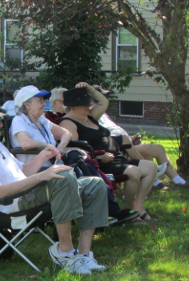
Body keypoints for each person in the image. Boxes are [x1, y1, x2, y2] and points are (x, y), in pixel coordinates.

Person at [0, 99, 109, 275]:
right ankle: (65, 252)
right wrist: (42, 175)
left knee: (94, 184)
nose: (1, 124)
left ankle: (84, 255)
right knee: (61, 177)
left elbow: (23, 171)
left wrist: (42, 156)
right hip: (10, 206)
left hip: (27, 195)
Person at [60, 83, 159, 222]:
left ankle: (138, 207)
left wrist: (89, 89)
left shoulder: (88, 117)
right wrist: (98, 155)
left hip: (116, 158)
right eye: (85, 105)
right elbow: (72, 150)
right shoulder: (68, 123)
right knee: (134, 172)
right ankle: (130, 212)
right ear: (73, 107)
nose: (89, 107)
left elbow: (103, 102)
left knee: (151, 167)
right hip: (101, 163)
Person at [97, 111, 189, 189]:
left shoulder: (103, 114)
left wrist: (131, 138)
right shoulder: (91, 116)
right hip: (116, 148)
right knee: (146, 148)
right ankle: (153, 178)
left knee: (159, 148)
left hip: (127, 142)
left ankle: (177, 180)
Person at [9, 85, 72, 168]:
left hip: (53, 166)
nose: (45, 104)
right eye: (40, 101)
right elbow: (26, 143)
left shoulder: (42, 120)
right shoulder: (19, 120)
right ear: (27, 105)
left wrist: (61, 147)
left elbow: (67, 133)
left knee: (85, 167)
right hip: (34, 171)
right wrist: (47, 146)